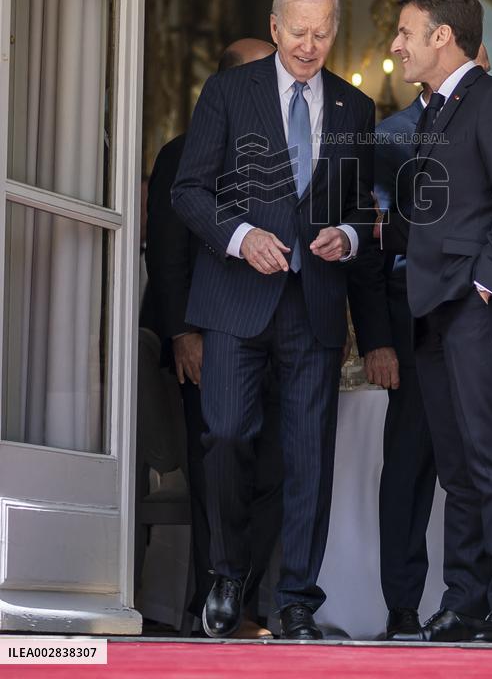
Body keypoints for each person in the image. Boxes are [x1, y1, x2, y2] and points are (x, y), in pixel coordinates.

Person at [171, 0, 375, 640]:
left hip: (313, 305)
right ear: (275, 26)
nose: (309, 46)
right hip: (235, 299)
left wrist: (347, 236)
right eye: (298, 32)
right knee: (226, 435)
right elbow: (189, 191)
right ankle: (228, 574)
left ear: (335, 31)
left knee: (309, 456)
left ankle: (297, 601)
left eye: (322, 33)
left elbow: (361, 208)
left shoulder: (354, 106)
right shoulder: (228, 91)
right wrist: (240, 236)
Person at [348, 41, 492, 643]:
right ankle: (434, 603)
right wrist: (376, 325)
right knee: (434, 468)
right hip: (418, 318)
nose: (396, 45)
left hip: (479, 313)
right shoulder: (395, 135)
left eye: (482, 71)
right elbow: (394, 232)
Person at [381, 0, 492, 643]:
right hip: (431, 310)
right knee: (456, 466)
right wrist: (359, 234)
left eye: (405, 32)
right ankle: (466, 600)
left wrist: (484, 285)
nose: (396, 45)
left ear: (442, 37)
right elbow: (427, 219)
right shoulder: (435, 113)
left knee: (491, 459)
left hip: (474, 309)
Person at [142, 37, 280, 637]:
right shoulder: (182, 153)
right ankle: (211, 607)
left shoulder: (280, 152)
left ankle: (243, 604)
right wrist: (183, 333)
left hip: (274, 337)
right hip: (207, 337)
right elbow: (167, 253)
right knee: (214, 473)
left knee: (271, 473)